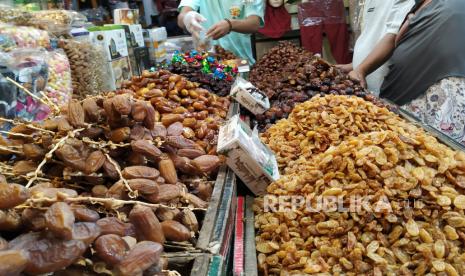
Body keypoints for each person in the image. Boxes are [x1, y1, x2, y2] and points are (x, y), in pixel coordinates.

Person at [351, 0, 465, 144]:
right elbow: (395, 37)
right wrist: (358, 68)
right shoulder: (414, 4)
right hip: (407, 93)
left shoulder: (453, 5)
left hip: (444, 91)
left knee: (442, 150)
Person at [337, 0, 414, 95]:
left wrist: (361, 70)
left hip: (385, 85)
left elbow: (394, 35)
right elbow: (372, 35)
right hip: (365, 83)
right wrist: (353, 65)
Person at [177, 0, 265, 63]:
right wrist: (187, 17)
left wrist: (230, 24)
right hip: (209, 59)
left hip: (240, 59)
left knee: (241, 86)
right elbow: (181, 17)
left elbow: (254, 23)